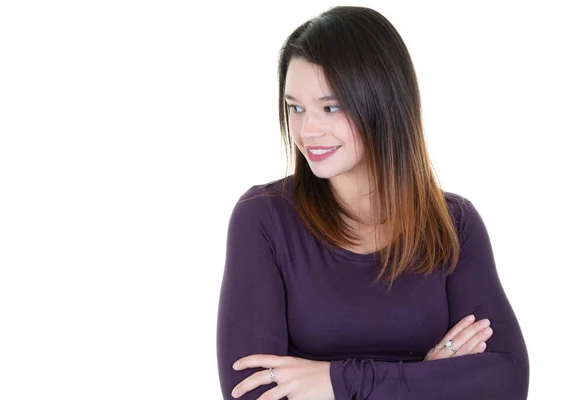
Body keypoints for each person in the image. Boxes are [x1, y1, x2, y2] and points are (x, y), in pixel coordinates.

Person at [216, 5, 529, 400]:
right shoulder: (263, 218)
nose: (307, 130)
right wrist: (427, 379)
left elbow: (506, 381)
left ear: (383, 104)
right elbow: (251, 393)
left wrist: (334, 381)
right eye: (295, 108)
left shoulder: (453, 224)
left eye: (331, 107)